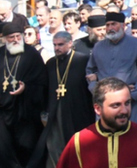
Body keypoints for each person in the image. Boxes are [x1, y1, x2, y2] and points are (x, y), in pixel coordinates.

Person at [56, 78, 137, 168]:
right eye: (116, 105)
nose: (124, 111)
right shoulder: (79, 142)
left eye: (127, 103)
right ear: (97, 109)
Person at [0, 20, 47, 168]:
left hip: (24, 111)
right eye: (11, 37)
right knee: (1, 150)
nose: (16, 40)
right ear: (4, 38)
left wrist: (26, 89)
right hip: (1, 111)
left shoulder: (32, 54)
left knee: (26, 148)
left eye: (18, 36)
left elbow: (42, 82)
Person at [30, 31, 96, 168]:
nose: (56, 48)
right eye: (54, 45)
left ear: (70, 43)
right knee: (55, 143)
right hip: (56, 110)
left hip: (78, 110)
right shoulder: (50, 63)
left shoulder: (82, 60)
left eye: (60, 45)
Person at [86, 12, 137, 124]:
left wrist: (132, 95)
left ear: (123, 26)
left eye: (114, 24)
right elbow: (90, 70)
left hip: (131, 106)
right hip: (105, 104)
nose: (110, 28)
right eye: (107, 25)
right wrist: (95, 89)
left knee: (133, 138)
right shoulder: (98, 47)